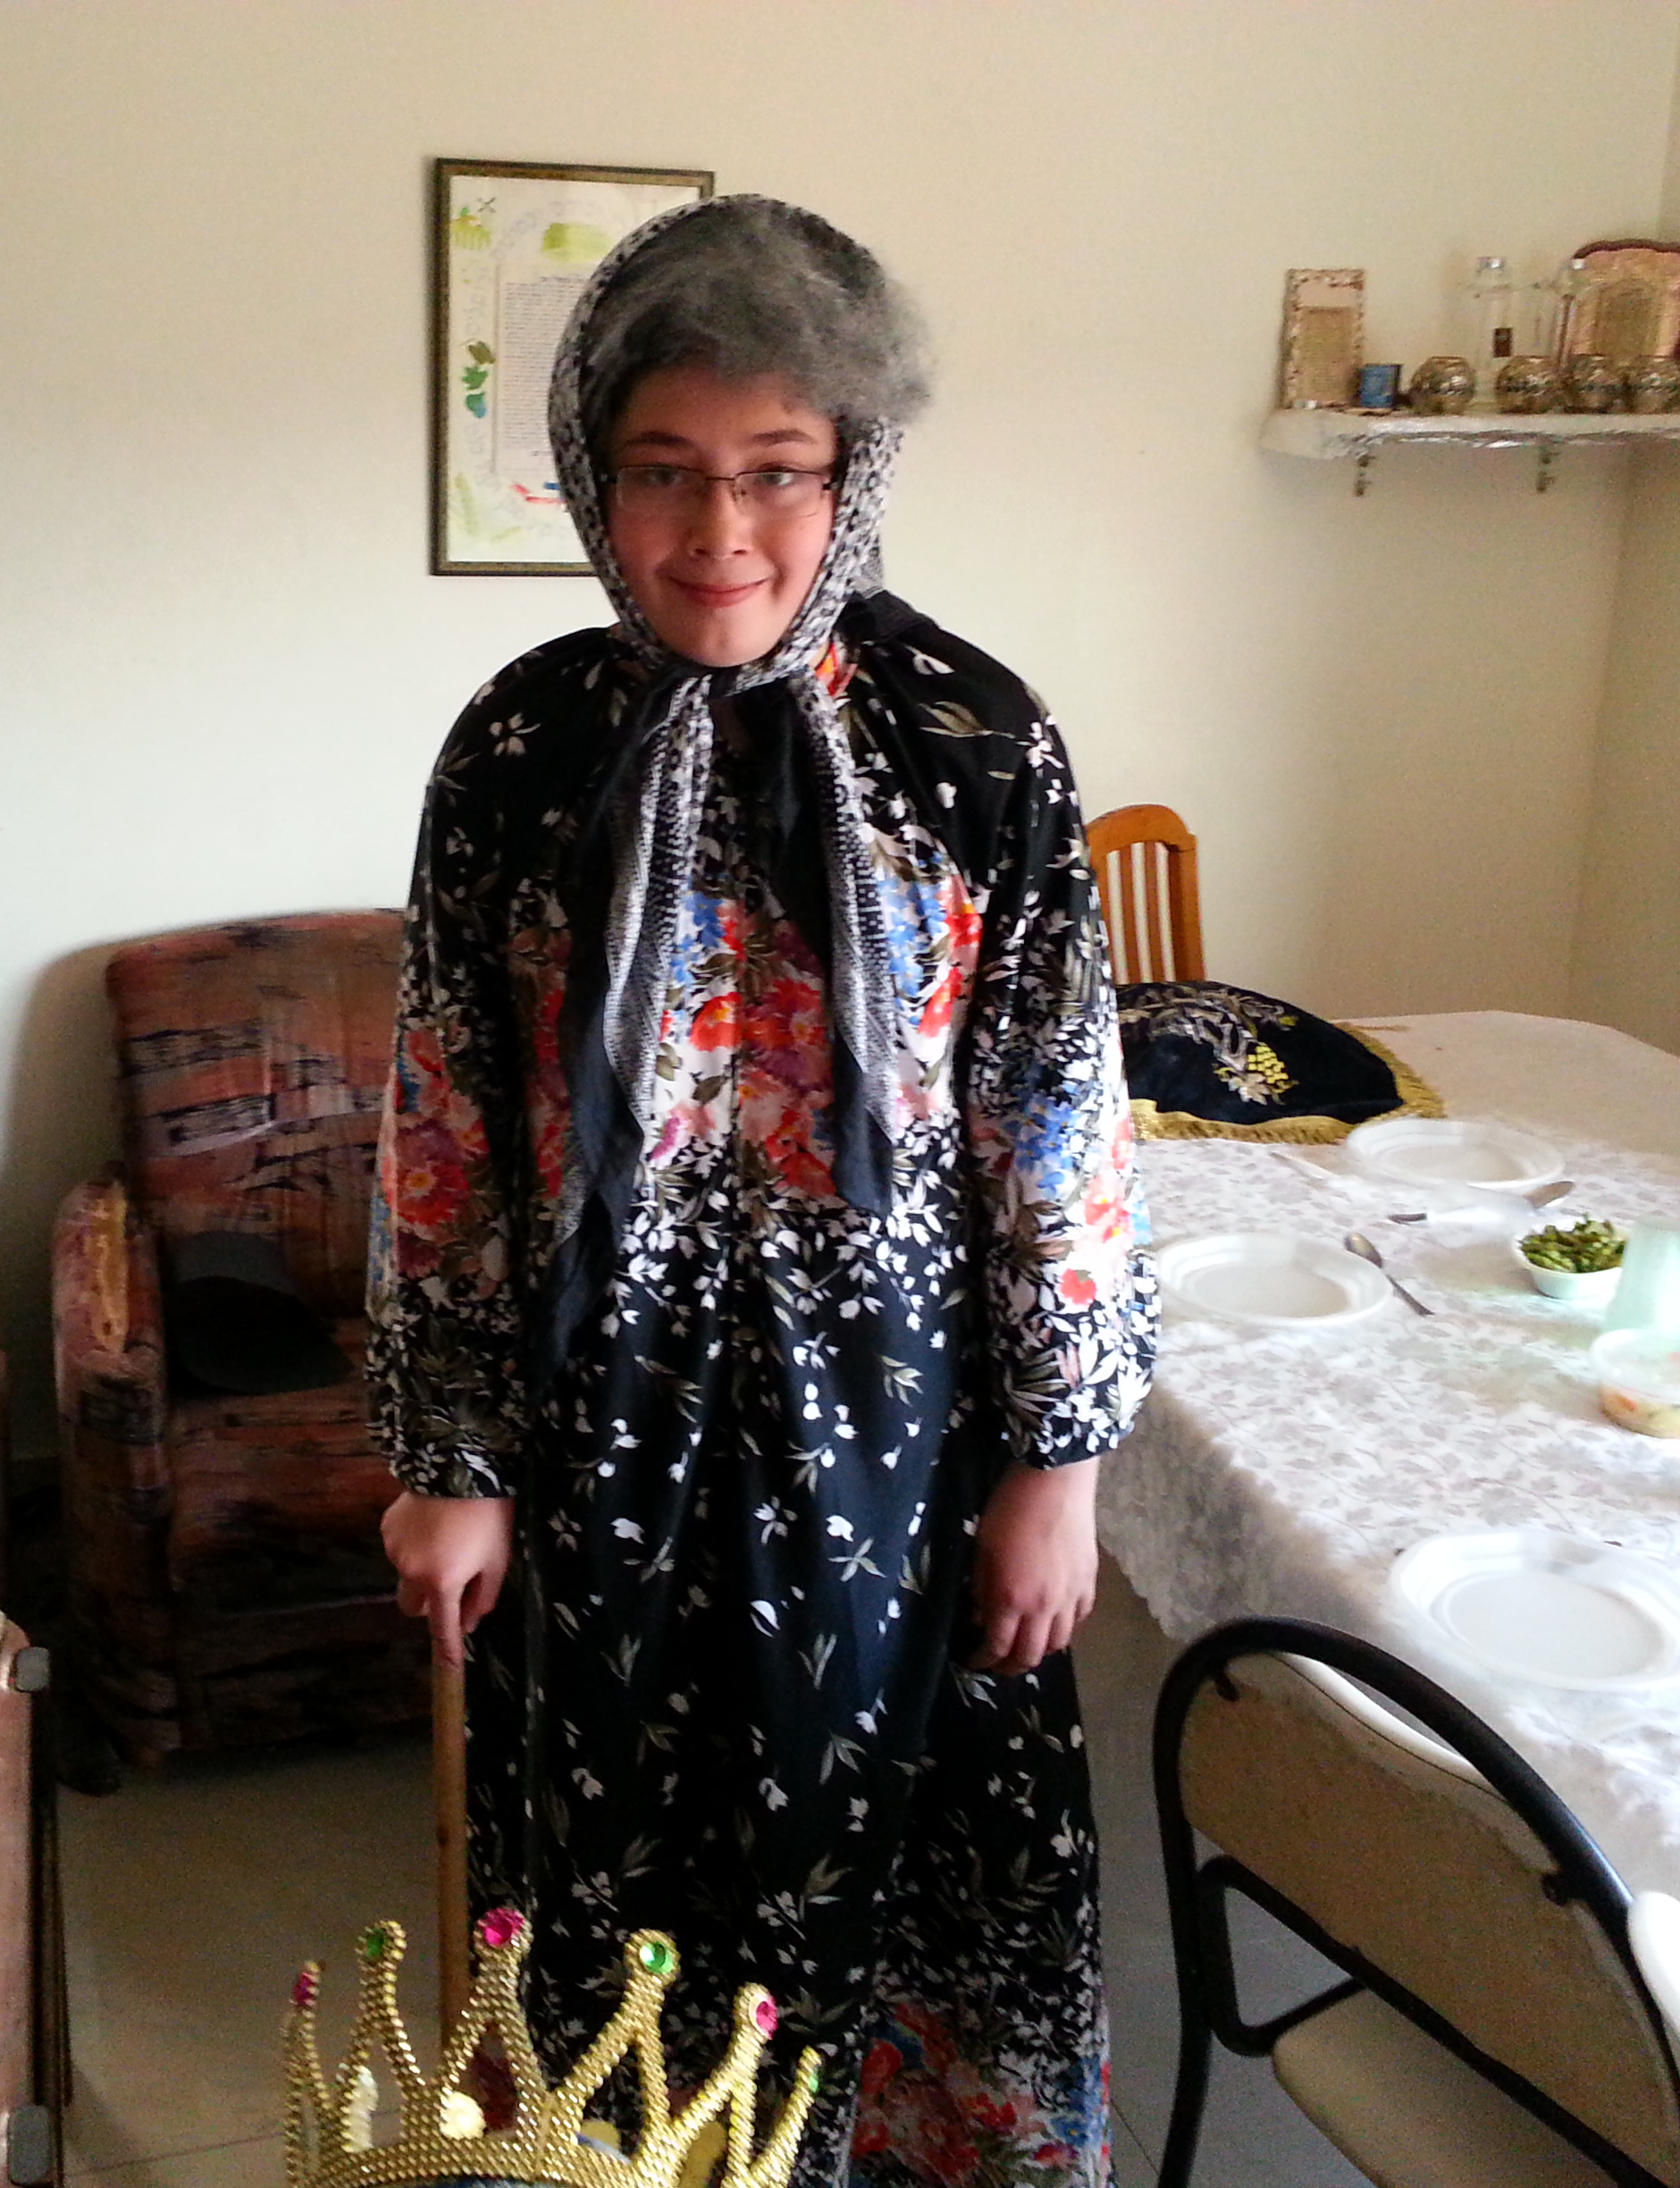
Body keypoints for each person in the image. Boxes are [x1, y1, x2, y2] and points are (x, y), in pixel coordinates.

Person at [367, 196, 1155, 2188]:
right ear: (591, 479)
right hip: (597, 1452)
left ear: (852, 472)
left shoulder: (971, 741)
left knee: (885, 1865)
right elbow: (446, 1120)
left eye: (776, 471)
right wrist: (452, 1457)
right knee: (616, 1885)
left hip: (898, 1455)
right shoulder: (522, 746)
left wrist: (1055, 1469)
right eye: (663, 471)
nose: (719, 531)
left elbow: (1057, 1114)